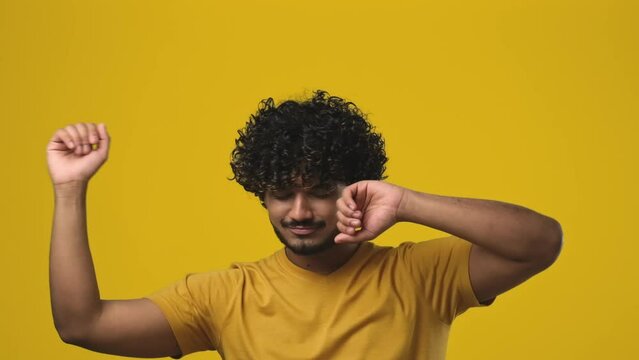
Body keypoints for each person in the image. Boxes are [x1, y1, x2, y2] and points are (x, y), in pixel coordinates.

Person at [47, 90, 563, 359]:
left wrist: (406, 202)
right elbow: (82, 325)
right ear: (261, 195)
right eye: (281, 193)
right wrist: (70, 192)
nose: (298, 211)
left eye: (319, 191)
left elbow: (539, 242)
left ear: (354, 187)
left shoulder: (419, 275)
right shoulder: (225, 296)